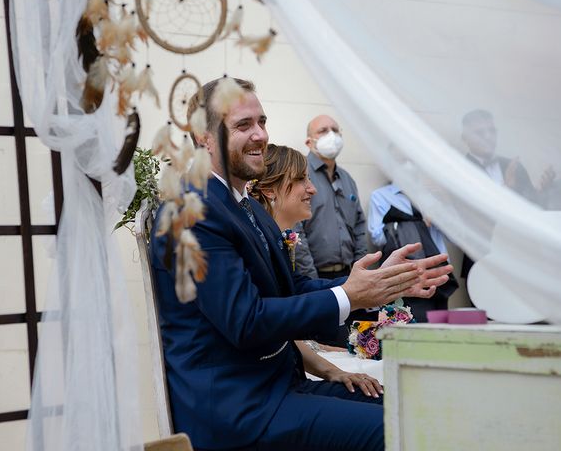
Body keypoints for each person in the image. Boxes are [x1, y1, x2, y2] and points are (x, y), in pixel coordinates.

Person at [150, 77, 453, 451]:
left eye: (262, 121)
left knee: (409, 407)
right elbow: (246, 321)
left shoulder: (242, 204)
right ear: (203, 137)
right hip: (239, 409)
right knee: (395, 430)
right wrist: (346, 295)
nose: (260, 134)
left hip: (278, 387)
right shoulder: (192, 210)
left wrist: (376, 287)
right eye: (243, 125)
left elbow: (289, 290)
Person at [249, 143, 383, 390]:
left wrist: (373, 285)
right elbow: (275, 315)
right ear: (269, 191)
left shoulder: (276, 240)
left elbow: (298, 288)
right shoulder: (258, 244)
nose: (312, 189)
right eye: (301, 180)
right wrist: (355, 293)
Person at [294, 114, 375, 346]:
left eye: (335, 130)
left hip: (349, 276)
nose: (331, 135)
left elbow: (359, 227)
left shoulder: (347, 179)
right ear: (309, 141)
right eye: (322, 131)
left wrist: (363, 271)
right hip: (315, 278)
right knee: (325, 346)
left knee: (352, 346)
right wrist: (311, 279)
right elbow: (295, 230)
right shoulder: (301, 174)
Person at [460, 109, 555, 277]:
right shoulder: (460, 170)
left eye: (492, 131)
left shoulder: (513, 166)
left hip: (521, 257)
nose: (488, 136)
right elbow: (467, 216)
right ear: (465, 138)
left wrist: (544, 189)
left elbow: (532, 208)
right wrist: (506, 190)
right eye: (480, 132)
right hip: (483, 261)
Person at [368, 183, 459, 322]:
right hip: (406, 273)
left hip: (437, 272)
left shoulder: (433, 195)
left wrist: (439, 210)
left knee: (438, 327)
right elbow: (378, 238)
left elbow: (457, 236)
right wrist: (407, 223)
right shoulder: (382, 196)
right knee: (408, 325)